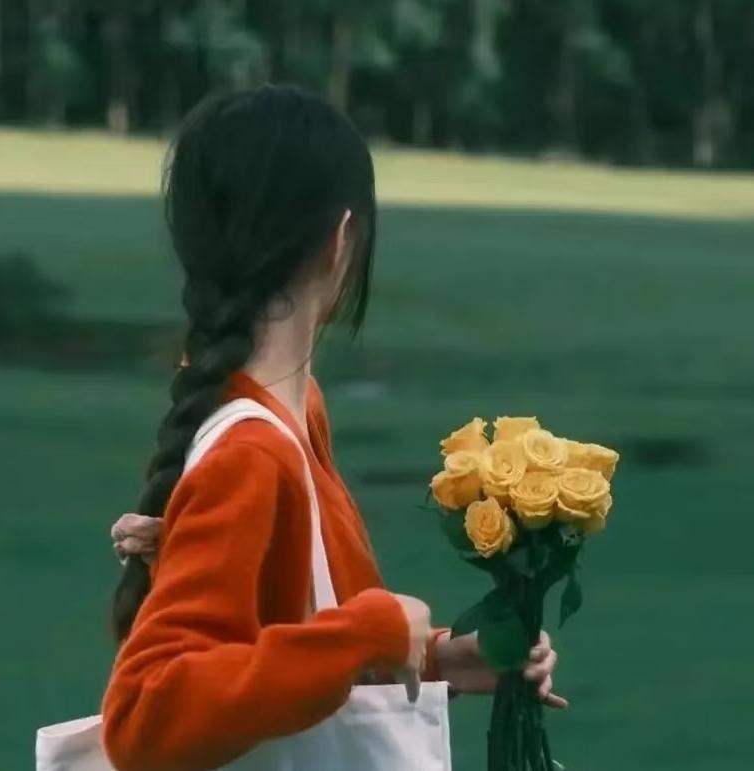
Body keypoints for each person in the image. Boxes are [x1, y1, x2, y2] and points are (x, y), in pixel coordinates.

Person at [102, 84, 564, 771]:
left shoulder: (295, 416)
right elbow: (145, 717)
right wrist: (365, 636)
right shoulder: (253, 452)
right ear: (340, 240)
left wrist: (436, 657)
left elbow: (298, 638)